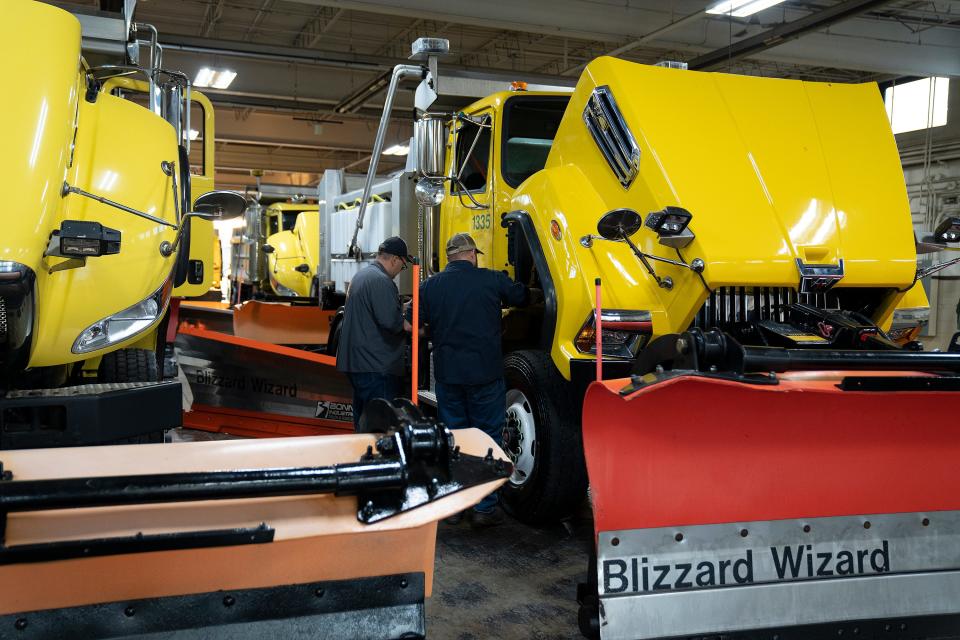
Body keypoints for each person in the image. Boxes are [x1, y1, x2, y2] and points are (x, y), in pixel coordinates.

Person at [415, 232, 530, 527]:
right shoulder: (490, 279)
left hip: (449, 375)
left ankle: (455, 506)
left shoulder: (430, 286)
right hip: (485, 375)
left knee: (454, 437)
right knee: (488, 437)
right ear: (471, 255)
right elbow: (522, 296)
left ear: (451, 256)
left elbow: (416, 321)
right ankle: (484, 508)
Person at [336, 236, 413, 430]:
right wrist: (414, 327)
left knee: (363, 419)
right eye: (402, 266)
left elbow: (374, 311)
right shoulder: (381, 281)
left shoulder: (364, 275)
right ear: (395, 259)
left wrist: (402, 307)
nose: (398, 272)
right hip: (376, 367)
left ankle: (362, 454)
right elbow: (392, 322)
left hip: (360, 363)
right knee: (380, 426)